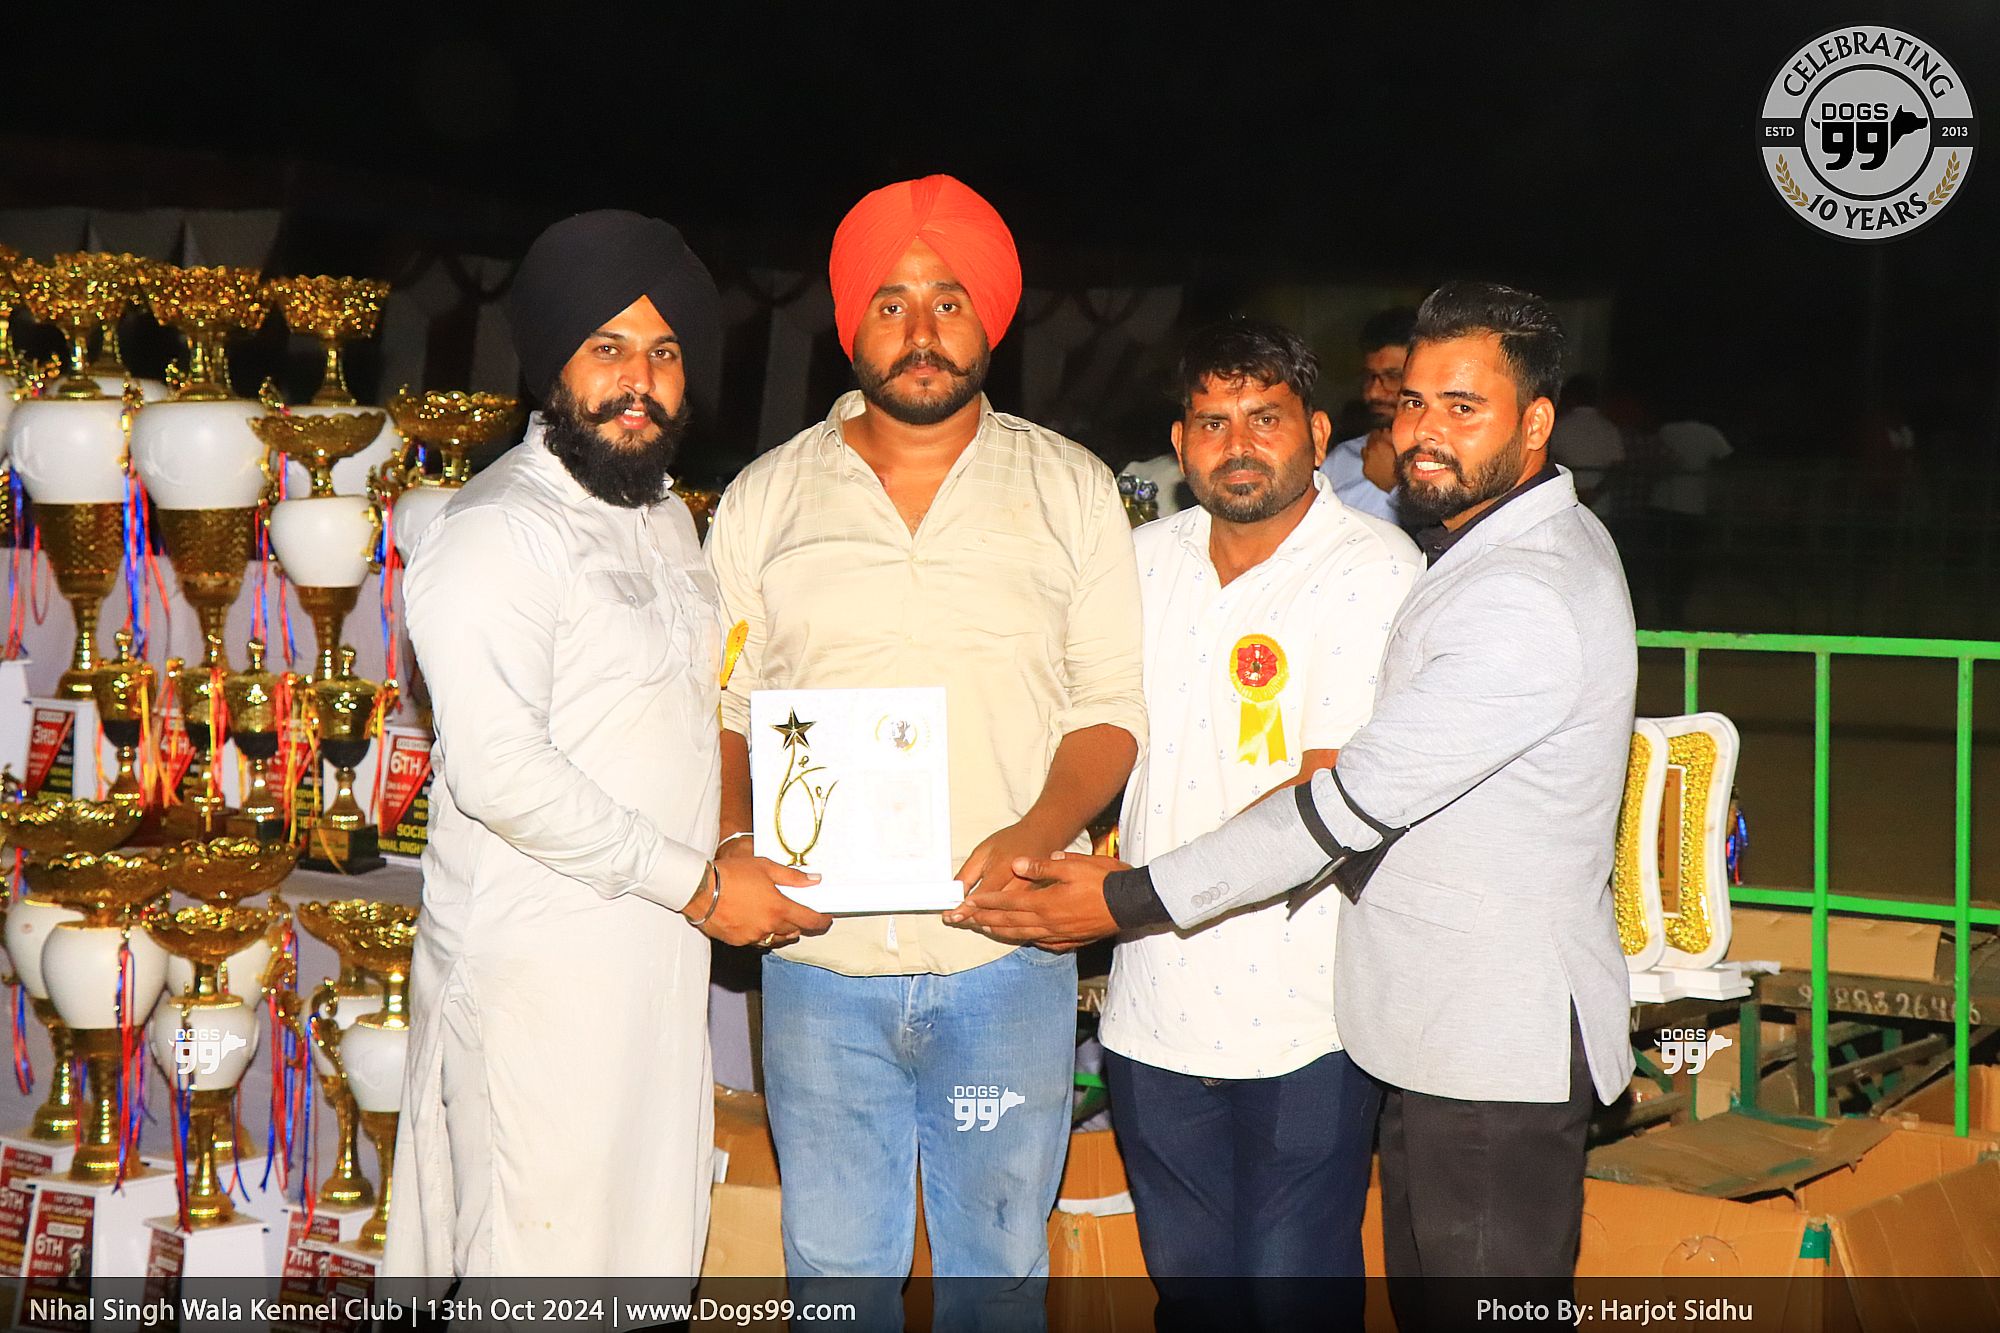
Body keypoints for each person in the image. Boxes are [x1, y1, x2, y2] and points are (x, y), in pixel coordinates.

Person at [950, 281, 1639, 1325]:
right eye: (1413, 403)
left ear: (1535, 422)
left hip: (1468, 1040)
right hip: (1399, 1031)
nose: (1424, 431)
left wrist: (1125, 897)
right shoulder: (1487, 553)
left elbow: (1339, 804)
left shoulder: (1508, 588)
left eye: (1463, 407)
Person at [705, 175, 1145, 1329]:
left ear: (987, 319)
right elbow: (723, 707)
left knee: (995, 1279)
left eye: (947, 300)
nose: (919, 329)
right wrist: (737, 840)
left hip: (1001, 954)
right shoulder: (766, 497)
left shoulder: (1069, 489)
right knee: (833, 1277)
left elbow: (1110, 708)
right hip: (816, 960)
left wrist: (1036, 833)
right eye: (889, 303)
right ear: (849, 323)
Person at [388, 210, 831, 1279]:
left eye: (665, 353)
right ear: (553, 367)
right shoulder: (495, 529)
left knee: (638, 1272)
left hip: (656, 974)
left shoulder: (669, 520)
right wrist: (702, 885)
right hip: (538, 984)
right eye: (609, 348)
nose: (640, 380)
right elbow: (501, 772)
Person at [1097, 318, 1416, 1330]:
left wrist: (1118, 895)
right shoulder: (1137, 563)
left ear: (1316, 433)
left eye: (1264, 419)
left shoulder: (1371, 566)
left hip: (1303, 1017)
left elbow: (1324, 797)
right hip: (1150, 1006)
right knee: (1190, 1296)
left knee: (1291, 1296)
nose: (1236, 444)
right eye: (1211, 422)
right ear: (1179, 441)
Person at [1318, 306, 1415, 526]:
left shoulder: (1445, 458)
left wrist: (1395, 487)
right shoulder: (1342, 459)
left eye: (1393, 376)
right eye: (1370, 376)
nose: (1373, 393)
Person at [1547, 373, 1625, 523]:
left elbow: (1550, 462)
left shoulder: (1560, 426)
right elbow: (1618, 467)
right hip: (1600, 504)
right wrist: (1596, 492)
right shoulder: (1609, 428)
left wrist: (1577, 489)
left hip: (1566, 502)